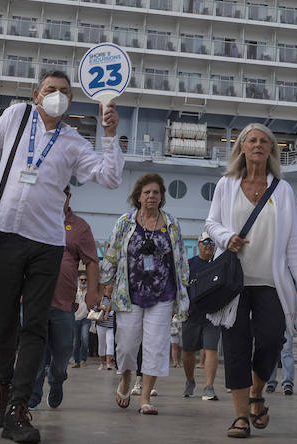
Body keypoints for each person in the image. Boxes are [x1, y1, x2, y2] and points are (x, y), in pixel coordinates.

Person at [0, 70, 123, 443]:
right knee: (4, 321)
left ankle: (19, 406)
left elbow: (110, 178)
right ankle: (4, 387)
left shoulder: (71, 141)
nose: (58, 96)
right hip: (4, 235)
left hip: (48, 244)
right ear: (37, 94)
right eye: (51, 90)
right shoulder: (15, 116)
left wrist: (111, 136)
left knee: (35, 325)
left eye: (65, 92)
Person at [204, 123, 297, 438]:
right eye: (252, 140)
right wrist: (227, 238)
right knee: (236, 348)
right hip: (233, 284)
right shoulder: (226, 184)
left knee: (271, 340)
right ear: (241, 147)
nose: (258, 144)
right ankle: (240, 415)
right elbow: (211, 223)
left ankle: (257, 392)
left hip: (270, 282)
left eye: (265, 141)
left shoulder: (282, 189)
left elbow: (293, 243)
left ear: (271, 150)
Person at [100, 172, 190, 416]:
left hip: (162, 294)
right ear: (138, 196)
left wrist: (183, 294)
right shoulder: (125, 222)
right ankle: (127, 379)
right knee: (127, 346)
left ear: (162, 197)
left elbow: (180, 259)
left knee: (156, 346)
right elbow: (111, 251)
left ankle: (146, 397)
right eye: (147, 192)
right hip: (129, 294)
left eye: (156, 192)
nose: (151, 196)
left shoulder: (171, 223)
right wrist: (106, 283)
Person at [28, 184, 99, 409]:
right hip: (35, 302)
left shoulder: (80, 227)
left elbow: (91, 261)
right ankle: (34, 392)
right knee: (35, 354)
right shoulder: (34, 221)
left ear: (68, 197)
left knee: (60, 357)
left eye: (61, 194)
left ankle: (57, 381)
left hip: (64, 306)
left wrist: (91, 295)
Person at [181, 233, 222, 401]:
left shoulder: (219, 265)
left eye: (212, 243)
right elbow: (182, 288)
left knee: (211, 350)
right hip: (192, 315)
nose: (209, 246)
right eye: (205, 242)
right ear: (198, 245)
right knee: (188, 352)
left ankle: (209, 386)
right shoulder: (189, 265)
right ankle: (190, 381)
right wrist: (181, 308)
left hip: (212, 315)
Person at [72, 274, 91, 368]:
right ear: (78, 280)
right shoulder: (75, 291)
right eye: (81, 280)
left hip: (85, 319)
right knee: (75, 341)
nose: (83, 281)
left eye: (85, 280)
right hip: (75, 318)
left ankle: (83, 359)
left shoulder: (89, 292)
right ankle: (76, 360)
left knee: (85, 339)